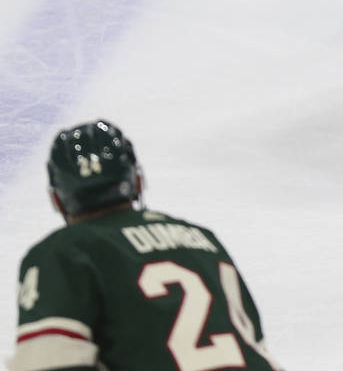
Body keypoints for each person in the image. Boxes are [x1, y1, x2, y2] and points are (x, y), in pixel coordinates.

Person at [10, 120, 282, 371]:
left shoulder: (63, 252)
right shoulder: (204, 241)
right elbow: (254, 347)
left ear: (57, 199)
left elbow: (47, 364)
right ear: (137, 182)